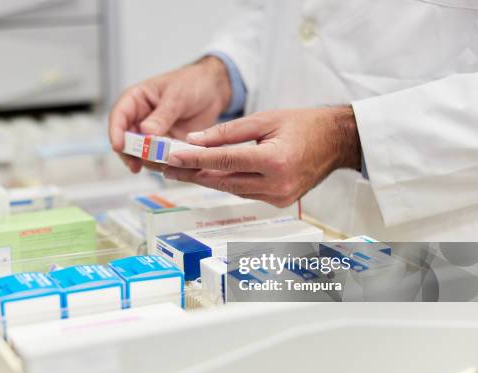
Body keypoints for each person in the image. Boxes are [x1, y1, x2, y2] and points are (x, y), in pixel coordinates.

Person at [109, 0, 478, 240]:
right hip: (289, 234)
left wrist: (350, 137)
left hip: (436, 244)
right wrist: (221, 74)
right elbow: (282, 14)